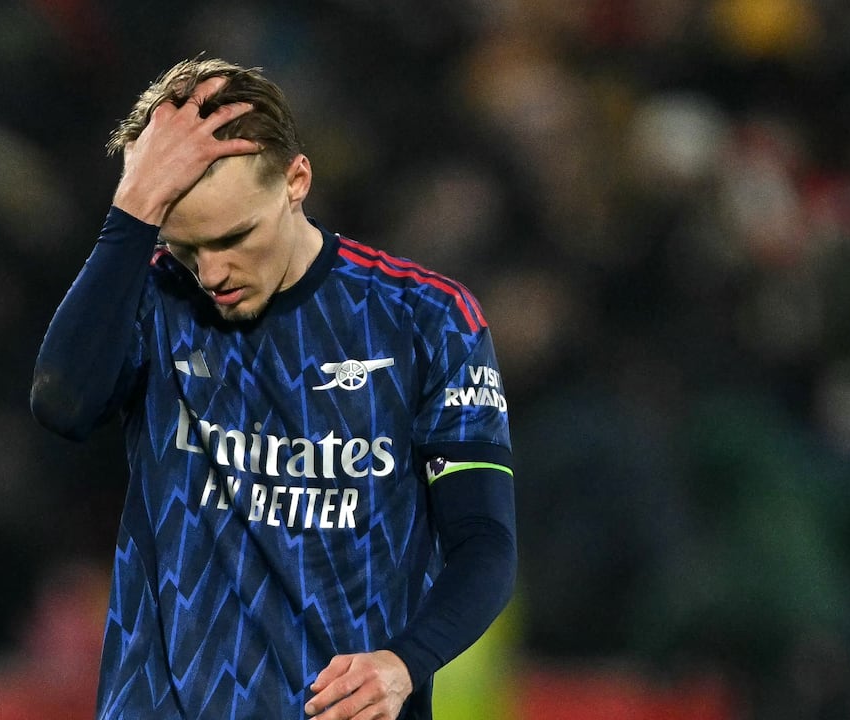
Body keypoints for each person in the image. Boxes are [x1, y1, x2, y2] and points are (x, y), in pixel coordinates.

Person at [30, 57, 516, 720]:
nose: (212, 273)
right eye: (185, 247)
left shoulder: (424, 319)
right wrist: (132, 209)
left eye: (234, 237)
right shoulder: (146, 296)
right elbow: (61, 403)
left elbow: (484, 539)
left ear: (296, 180)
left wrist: (403, 662)